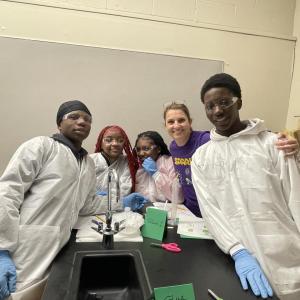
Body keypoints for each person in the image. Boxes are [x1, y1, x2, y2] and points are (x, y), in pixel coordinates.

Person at [191, 73, 300, 299]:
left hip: (286, 255)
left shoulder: (273, 144)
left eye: (224, 102)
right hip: (241, 259)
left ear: (238, 102)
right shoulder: (202, 157)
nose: (217, 111)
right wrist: (237, 251)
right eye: (210, 106)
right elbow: (211, 211)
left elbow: (296, 197)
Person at [0, 100, 112, 300]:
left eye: (87, 119)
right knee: (14, 294)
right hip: (26, 246)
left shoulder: (87, 163)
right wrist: (2, 249)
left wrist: (120, 202)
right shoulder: (41, 146)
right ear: (59, 123)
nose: (82, 122)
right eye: (74, 117)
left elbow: (87, 205)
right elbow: (8, 192)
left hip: (59, 248)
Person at [163, 102, 299, 217]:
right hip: (190, 213)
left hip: (216, 212)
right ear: (165, 125)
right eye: (171, 122)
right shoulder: (173, 147)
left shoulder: (205, 140)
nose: (176, 125)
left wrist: (278, 139)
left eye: (181, 120)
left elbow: (240, 139)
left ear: (190, 122)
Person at [91, 125, 148, 212]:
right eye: (108, 140)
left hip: (119, 211)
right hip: (91, 211)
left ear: (124, 144)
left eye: (120, 140)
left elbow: (124, 191)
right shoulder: (90, 160)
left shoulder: (127, 163)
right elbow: (85, 193)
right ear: (100, 143)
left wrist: (103, 197)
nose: (115, 144)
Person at [134, 130, 183, 203]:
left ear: (158, 149)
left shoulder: (169, 162)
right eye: (138, 150)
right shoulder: (140, 168)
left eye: (146, 149)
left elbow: (178, 198)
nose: (141, 153)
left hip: (166, 210)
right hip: (146, 210)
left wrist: (156, 174)